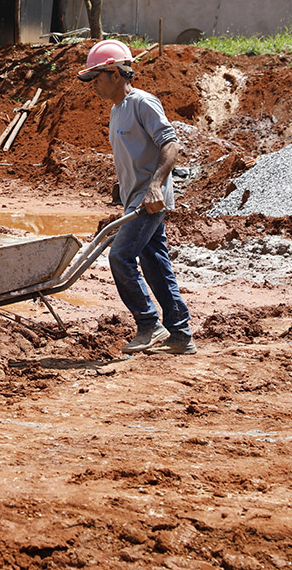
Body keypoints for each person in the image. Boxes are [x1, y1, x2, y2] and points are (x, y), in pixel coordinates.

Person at [78, 39, 195, 355]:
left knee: (120, 256)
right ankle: (181, 335)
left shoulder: (143, 102)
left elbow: (170, 145)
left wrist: (155, 186)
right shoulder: (117, 110)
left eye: (97, 78)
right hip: (136, 199)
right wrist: (122, 186)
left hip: (149, 201)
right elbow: (135, 153)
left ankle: (148, 324)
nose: (94, 86)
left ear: (115, 73)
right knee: (155, 264)